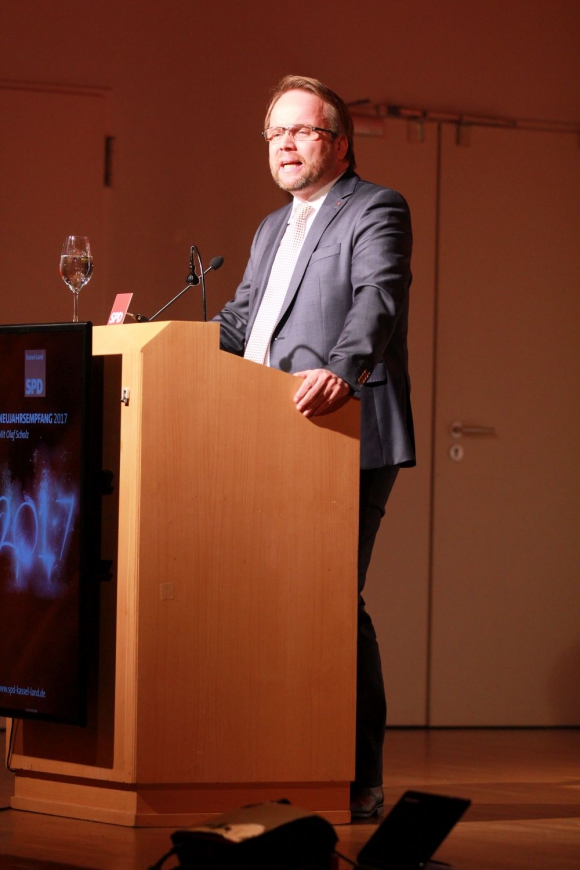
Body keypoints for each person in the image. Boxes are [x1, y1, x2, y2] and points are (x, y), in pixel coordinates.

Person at [213, 75, 414, 819]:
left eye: (301, 131)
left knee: (330, 603)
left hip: (344, 426)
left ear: (340, 143)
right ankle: (285, 759)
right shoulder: (272, 227)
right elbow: (244, 322)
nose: (285, 145)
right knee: (273, 606)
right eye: (275, 134)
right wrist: (164, 344)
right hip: (269, 435)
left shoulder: (375, 208)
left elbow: (378, 298)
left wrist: (343, 368)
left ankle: (357, 777)